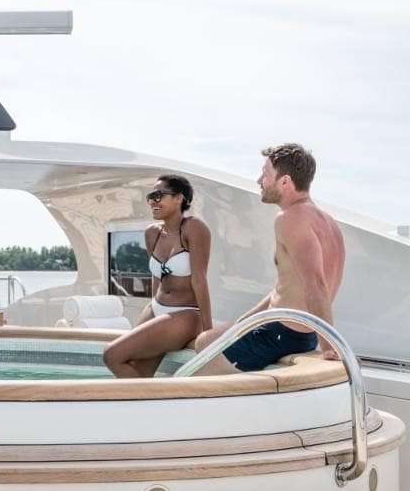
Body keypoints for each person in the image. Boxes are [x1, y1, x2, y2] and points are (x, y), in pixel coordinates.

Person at [194, 143, 345, 373]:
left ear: (285, 181)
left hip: (282, 334)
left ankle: (242, 390)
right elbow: (283, 288)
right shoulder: (328, 222)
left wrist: (330, 346)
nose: (259, 180)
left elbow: (316, 283)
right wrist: (242, 324)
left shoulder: (290, 219)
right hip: (292, 331)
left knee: (202, 360)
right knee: (206, 339)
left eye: (265, 175)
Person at [104, 175, 212, 377]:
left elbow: (200, 280)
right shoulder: (151, 233)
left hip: (186, 313)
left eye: (159, 195)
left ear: (179, 198)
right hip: (156, 307)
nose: (153, 201)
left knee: (111, 355)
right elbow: (157, 278)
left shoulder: (194, 228)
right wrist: (154, 312)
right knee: (138, 369)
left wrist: (208, 333)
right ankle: (147, 396)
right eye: (150, 196)